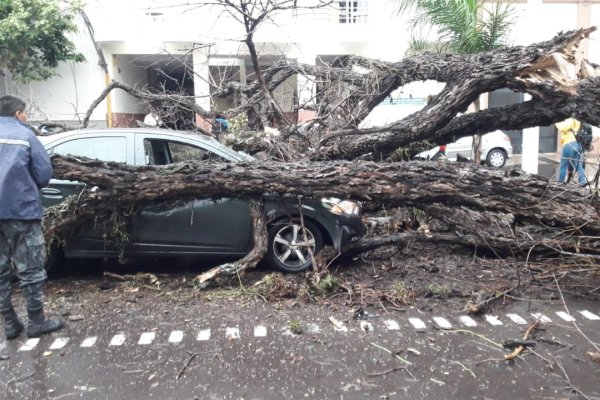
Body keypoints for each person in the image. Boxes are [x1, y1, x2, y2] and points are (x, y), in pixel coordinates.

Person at [0, 95, 63, 340]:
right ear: (18, 114)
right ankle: (37, 321)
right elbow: (44, 173)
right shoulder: (25, 136)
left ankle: (9, 323)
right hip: (21, 212)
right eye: (25, 113)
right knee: (30, 269)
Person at [556, 117, 587, 186]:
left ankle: (560, 183)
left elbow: (562, 127)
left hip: (569, 144)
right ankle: (583, 182)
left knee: (563, 165)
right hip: (577, 144)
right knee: (578, 164)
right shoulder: (578, 121)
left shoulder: (571, 120)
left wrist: (555, 121)